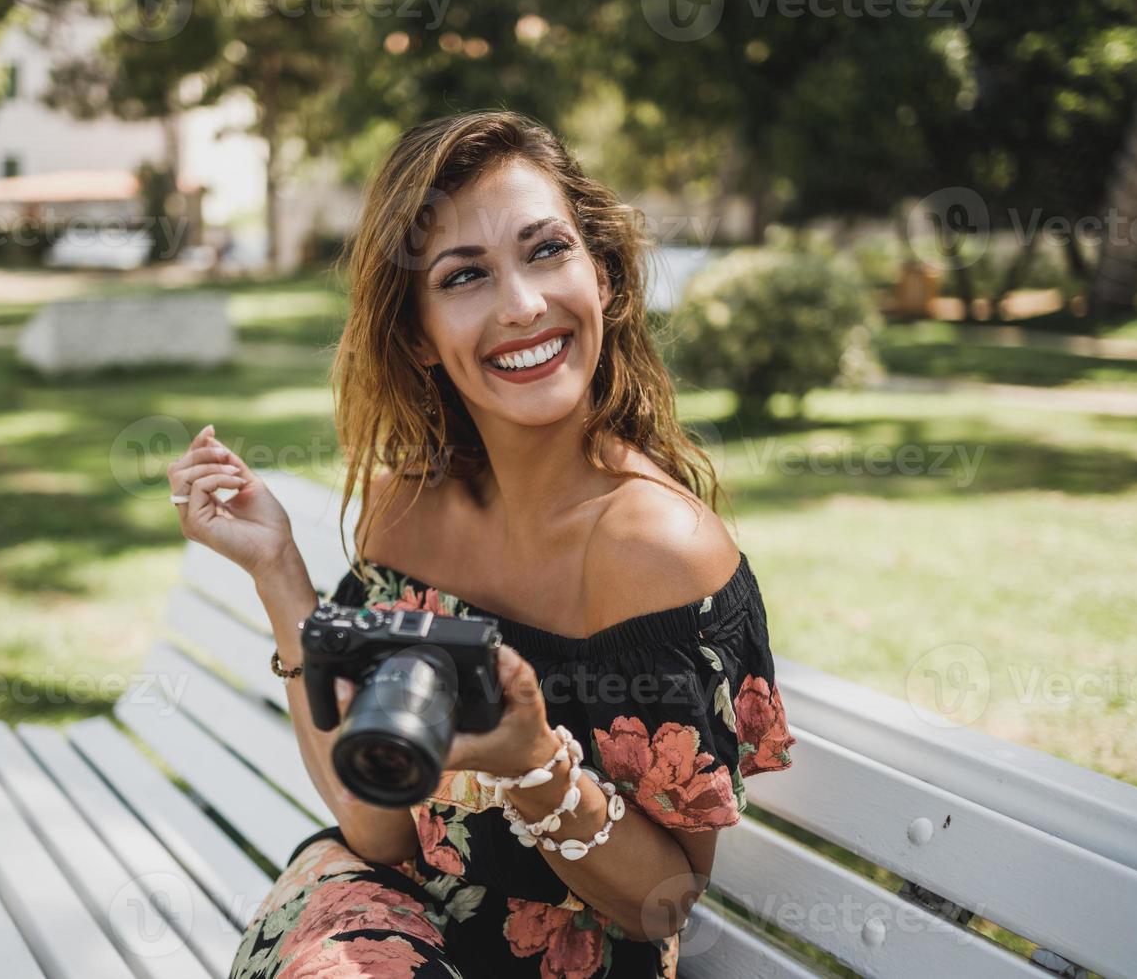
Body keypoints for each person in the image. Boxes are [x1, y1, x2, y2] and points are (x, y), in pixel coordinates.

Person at [166, 109, 797, 979]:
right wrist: (278, 571)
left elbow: (663, 904)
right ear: (420, 335)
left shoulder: (657, 550)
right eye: (465, 276)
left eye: (546, 251)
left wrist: (534, 765)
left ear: (604, 276)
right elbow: (376, 828)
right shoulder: (407, 514)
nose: (523, 305)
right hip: (377, 919)